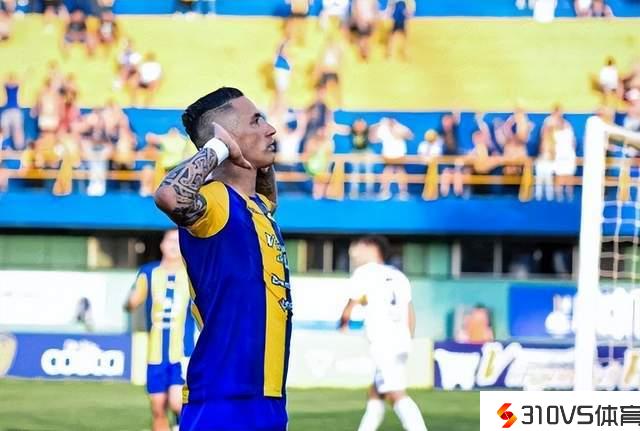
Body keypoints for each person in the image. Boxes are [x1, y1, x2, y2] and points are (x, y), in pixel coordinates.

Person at [153, 87, 292, 431]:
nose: (270, 129)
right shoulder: (216, 201)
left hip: (269, 402)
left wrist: (256, 163)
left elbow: (268, 195)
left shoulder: (258, 207)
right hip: (223, 404)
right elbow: (170, 196)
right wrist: (217, 148)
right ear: (227, 137)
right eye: (256, 121)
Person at [339, 236, 428, 431]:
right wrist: (407, 339)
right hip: (401, 341)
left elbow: (350, 307)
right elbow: (409, 312)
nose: (355, 254)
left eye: (360, 248)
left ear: (372, 248)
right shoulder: (398, 276)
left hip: (383, 343)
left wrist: (343, 324)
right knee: (375, 393)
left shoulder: (364, 273)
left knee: (396, 394)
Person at [126, 230, 195, 431]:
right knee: (158, 409)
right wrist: (130, 302)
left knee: (177, 402)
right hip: (155, 356)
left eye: (178, 241)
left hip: (182, 354)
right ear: (162, 245)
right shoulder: (149, 272)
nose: (174, 245)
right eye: (170, 240)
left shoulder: (191, 273)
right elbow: (134, 300)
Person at [1, 73, 24, 150]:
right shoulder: (7, 86)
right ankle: (4, 145)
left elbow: (20, 81)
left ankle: (19, 147)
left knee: (17, 130)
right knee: (4, 129)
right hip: (7, 110)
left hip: (15, 110)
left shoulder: (16, 86)